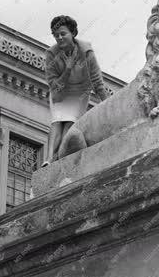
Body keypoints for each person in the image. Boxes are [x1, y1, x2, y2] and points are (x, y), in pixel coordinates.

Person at [43, 15, 109, 165]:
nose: (59, 38)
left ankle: (58, 157)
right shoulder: (51, 54)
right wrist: (67, 69)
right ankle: (48, 159)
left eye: (63, 34)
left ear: (73, 33)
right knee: (57, 121)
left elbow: (96, 79)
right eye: (56, 35)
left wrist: (107, 103)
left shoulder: (86, 51)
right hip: (60, 91)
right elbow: (53, 84)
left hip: (80, 92)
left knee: (69, 122)